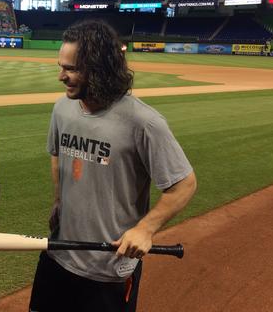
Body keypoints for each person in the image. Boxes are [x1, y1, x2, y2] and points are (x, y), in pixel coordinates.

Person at [29, 20, 197, 312]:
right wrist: (58, 200)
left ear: (99, 67)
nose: (61, 76)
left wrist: (146, 229)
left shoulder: (144, 122)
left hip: (107, 267)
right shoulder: (62, 108)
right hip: (57, 255)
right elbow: (57, 153)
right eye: (61, 66)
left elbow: (184, 184)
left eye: (71, 69)